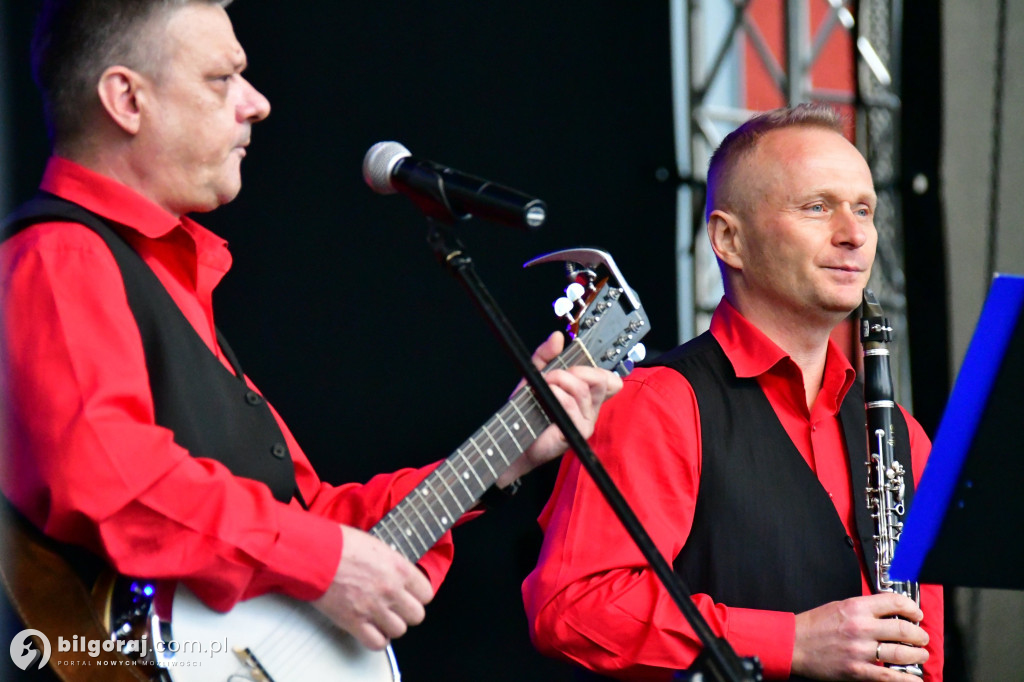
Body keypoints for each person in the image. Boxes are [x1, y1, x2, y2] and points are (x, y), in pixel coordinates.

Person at [0, 0, 622, 668]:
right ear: (127, 99)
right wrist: (325, 561)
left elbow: (315, 516)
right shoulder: (60, 256)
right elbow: (112, 483)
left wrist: (507, 451)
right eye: (222, 78)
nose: (257, 102)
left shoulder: (161, 278)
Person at [522, 103, 944, 681]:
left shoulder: (903, 435)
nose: (854, 235)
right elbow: (574, 608)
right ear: (729, 239)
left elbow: (923, 648)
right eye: (817, 207)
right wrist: (793, 642)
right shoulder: (659, 403)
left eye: (864, 209)